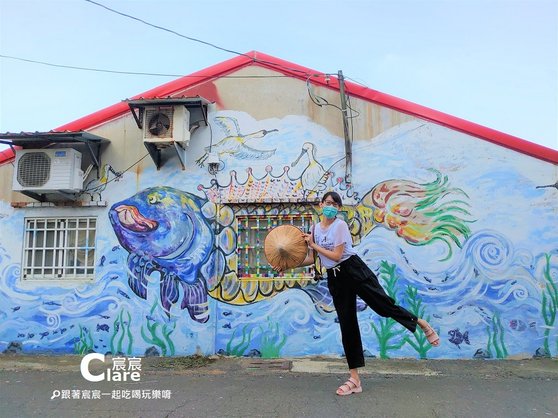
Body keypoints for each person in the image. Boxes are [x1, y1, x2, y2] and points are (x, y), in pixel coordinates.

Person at [298, 191, 440, 396]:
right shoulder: (315, 229)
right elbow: (314, 258)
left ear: (338, 208)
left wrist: (313, 245)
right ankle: (354, 379)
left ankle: (421, 323)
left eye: (334, 204)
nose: (330, 206)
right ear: (320, 205)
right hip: (335, 278)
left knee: (383, 306)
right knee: (347, 324)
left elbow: (337, 255)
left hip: (353, 269)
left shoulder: (340, 226)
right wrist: (287, 265)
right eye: (327, 202)